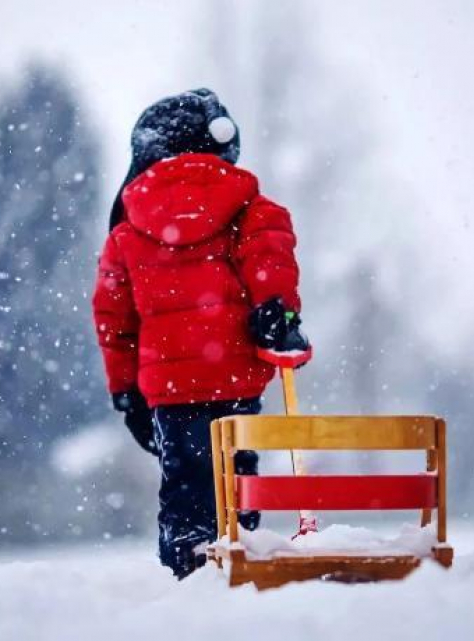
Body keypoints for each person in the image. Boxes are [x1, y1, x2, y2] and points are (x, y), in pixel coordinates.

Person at [92, 89, 308, 579]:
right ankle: (242, 555)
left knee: (185, 480)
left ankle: (189, 564)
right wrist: (279, 313)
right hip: (235, 375)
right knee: (236, 476)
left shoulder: (126, 233)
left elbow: (114, 319)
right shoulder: (252, 208)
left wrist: (125, 391)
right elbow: (270, 257)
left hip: (169, 389)